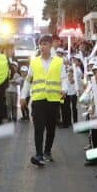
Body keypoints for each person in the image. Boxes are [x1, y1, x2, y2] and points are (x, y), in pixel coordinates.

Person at [21, 35, 64, 167]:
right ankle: (39, 154)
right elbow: (28, 80)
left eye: (45, 44)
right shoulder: (34, 62)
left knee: (51, 128)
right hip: (38, 99)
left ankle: (47, 151)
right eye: (40, 44)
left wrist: (65, 89)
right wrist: (23, 96)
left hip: (53, 100)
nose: (42, 46)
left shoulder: (59, 61)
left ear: (50, 45)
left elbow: (64, 79)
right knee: (38, 128)